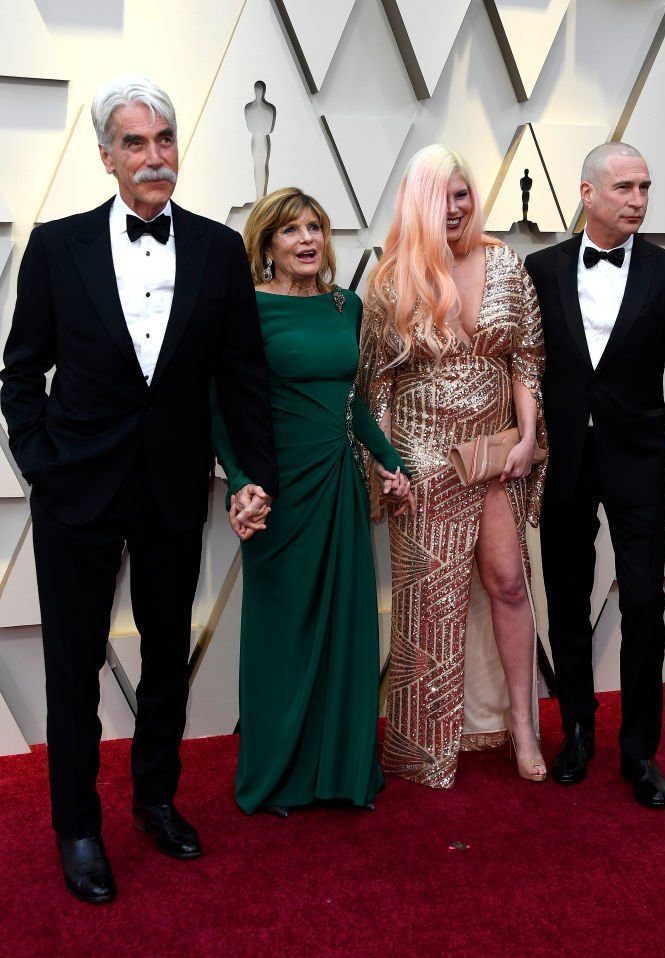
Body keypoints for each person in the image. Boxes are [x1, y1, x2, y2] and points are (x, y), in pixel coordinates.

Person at [0, 75, 277, 903]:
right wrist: (43, 464)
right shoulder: (56, 247)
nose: (154, 156)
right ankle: (77, 827)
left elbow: (242, 376)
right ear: (105, 156)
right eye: (135, 143)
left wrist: (252, 471)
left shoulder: (220, 250)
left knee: (166, 657)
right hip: (75, 492)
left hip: (170, 486)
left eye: (164, 140)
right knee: (73, 665)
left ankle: (156, 797)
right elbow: (20, 373)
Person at [211, 187, 413, 817]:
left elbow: (352, 403)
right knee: (282, 632)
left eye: (316, 229)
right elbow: (222, 408)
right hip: (278, 491)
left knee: (346, 629)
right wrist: (241, 481)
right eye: (292, 230)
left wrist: (390, 459)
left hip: (338, 485)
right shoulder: (245, 309)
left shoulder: (344, 306)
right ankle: (277, 775)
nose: (306, 240)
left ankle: (342, 770)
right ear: (267, 243)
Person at [524, 142, 665, 809]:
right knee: (567, 604)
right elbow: (524, 371)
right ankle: (576, 730)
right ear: (587, 193)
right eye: (625, 187)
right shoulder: (538, 269)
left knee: (642, 604)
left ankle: (640, 753)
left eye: (645, 188)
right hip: (564, 461)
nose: (637, 200)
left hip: (639, 464)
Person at [359, 144, 548, 789]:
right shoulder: (390, 282)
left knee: (509, 581)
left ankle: (522, 729)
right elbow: (377, 389)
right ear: (419, 202)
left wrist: (525, 436)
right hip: (422, 461)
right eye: (443, 195)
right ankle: (423, 743)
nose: (457, 206)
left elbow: (526, 360)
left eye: (463, 193)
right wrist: (389, 468)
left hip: (492, 455)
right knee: (427, 602)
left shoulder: (504, 265)